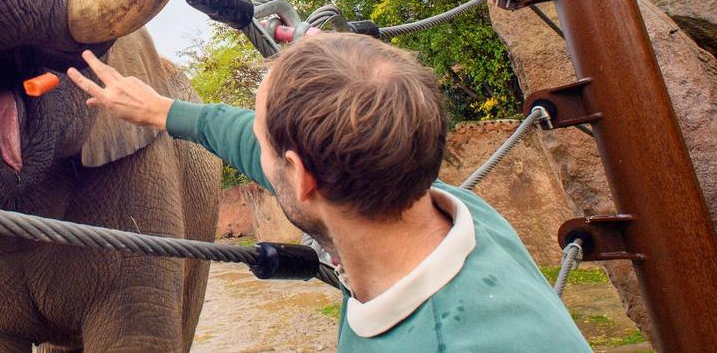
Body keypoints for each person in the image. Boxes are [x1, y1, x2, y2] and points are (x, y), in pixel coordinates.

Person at [66, 32, 591, 351]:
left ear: (300, 176)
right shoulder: (453, 208)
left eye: (261, 138)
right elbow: (248, 139)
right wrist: (162, 111)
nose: (252, 141)